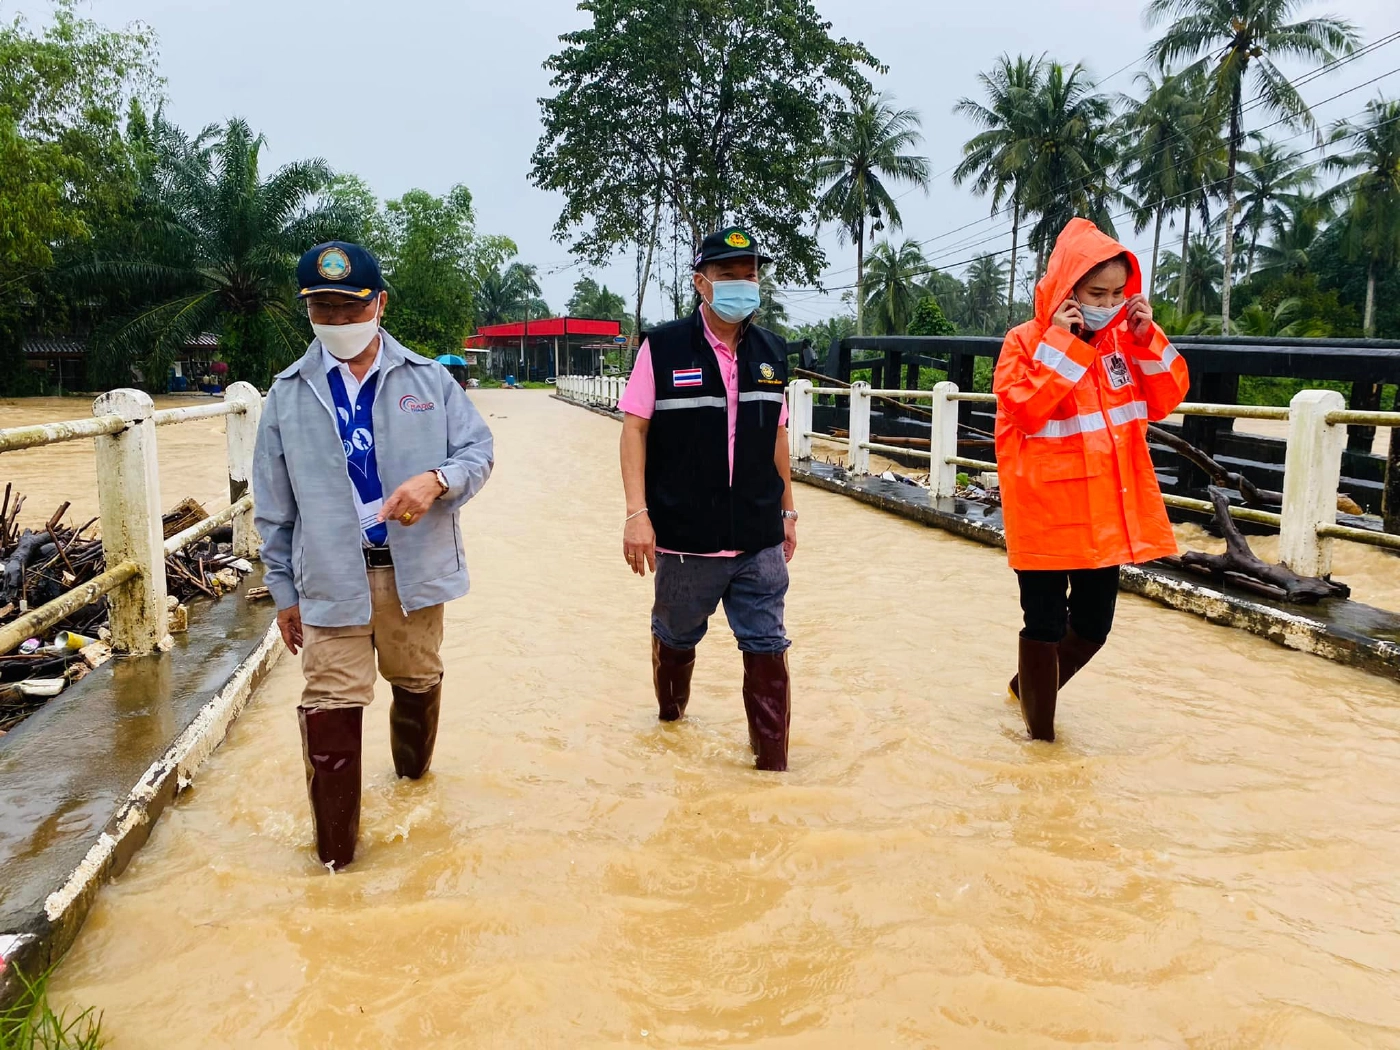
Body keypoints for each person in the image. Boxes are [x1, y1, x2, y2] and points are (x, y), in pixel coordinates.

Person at [253, 241, 494, 869]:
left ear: (380, 303)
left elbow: (478, 452)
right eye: (323, 309)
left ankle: (413, 788)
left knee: (416, 680)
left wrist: (437, 481)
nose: (337, 321)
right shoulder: (286, 394)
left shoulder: (428, 380)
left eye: (349, 307)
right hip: (330, 578)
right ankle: (336, 864)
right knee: (328, 702)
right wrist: (283, 593)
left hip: (412, 575)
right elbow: (274, 508)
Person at [993, 218, 1190, 742]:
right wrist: (1063, 342)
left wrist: (1148, 340)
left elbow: (1167, 399)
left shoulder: (1126, 343)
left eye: (1118, 293)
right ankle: (1040, 745)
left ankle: (1023, 690)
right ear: (1068, 290)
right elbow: (1025, 410)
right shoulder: (1024, 342)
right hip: (1044, 512)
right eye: (1096, 293)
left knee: (1093, 628)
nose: (1109, 303)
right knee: (1044, 625)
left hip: (1105, 512)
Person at [618, 227, 798, 771]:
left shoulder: (772, 352)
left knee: (768, 644)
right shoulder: (664, 348)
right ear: (701, 283)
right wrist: (637, 514)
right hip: (685, 540)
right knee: (675, 638)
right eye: (728, 275)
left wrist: (788, 512)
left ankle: (772, 769)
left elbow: (778, 436)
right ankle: (671, 723)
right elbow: (634, 430)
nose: (743, 284)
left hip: (758, 537)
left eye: (750, 274)